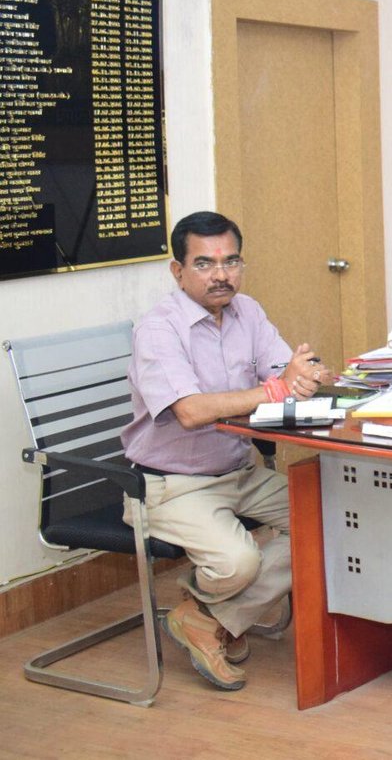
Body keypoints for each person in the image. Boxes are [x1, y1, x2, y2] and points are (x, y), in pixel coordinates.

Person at [122, 211, 330, 690]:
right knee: (239, 562)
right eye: (204, 264)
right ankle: (219, 618)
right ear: (178, 271)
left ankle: (205, 617)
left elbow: (283, 370)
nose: (221, 275)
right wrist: (277, 388)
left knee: (331, 518)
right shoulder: (158, 330)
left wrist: (307, 375)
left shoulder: (246, 311)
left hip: (239, 470)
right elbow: (191, 411)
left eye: (231, 261)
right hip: (171, 484)